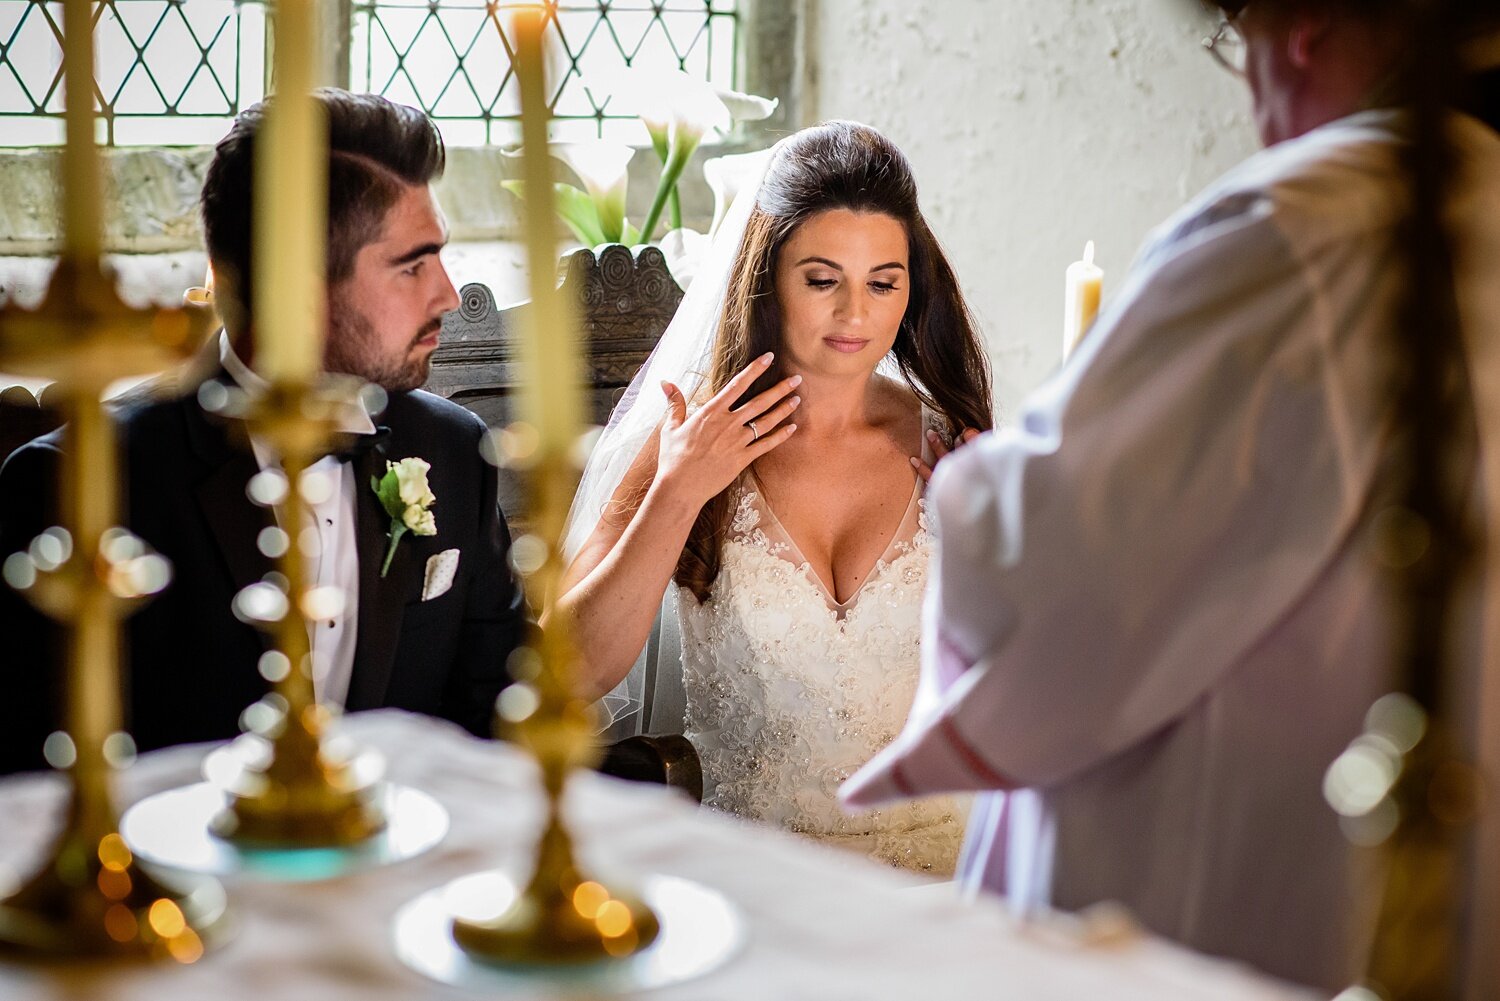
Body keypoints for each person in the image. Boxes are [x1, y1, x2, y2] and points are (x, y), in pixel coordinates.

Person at [842, 1, 1500, 992]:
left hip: (1219, 879)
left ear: (1302, 29)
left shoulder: (1297, 222)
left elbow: (1055, 566)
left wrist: (975, 478)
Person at [0, 90, 527, 775]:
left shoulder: (453, 453)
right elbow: (29, 788)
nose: (449, 295)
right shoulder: (79, 486)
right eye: (414, 265)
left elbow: (497, 720)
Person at [558, 121, 993, 873]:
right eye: (822, 280)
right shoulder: (690, 435)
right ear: (765, 276)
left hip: (941, 869)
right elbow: (566, 670)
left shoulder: (951, 443)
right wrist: (679, 490)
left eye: (882, 283)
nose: (855, 313)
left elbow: (1016, 681)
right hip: (754, 871)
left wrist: (1000, 549)